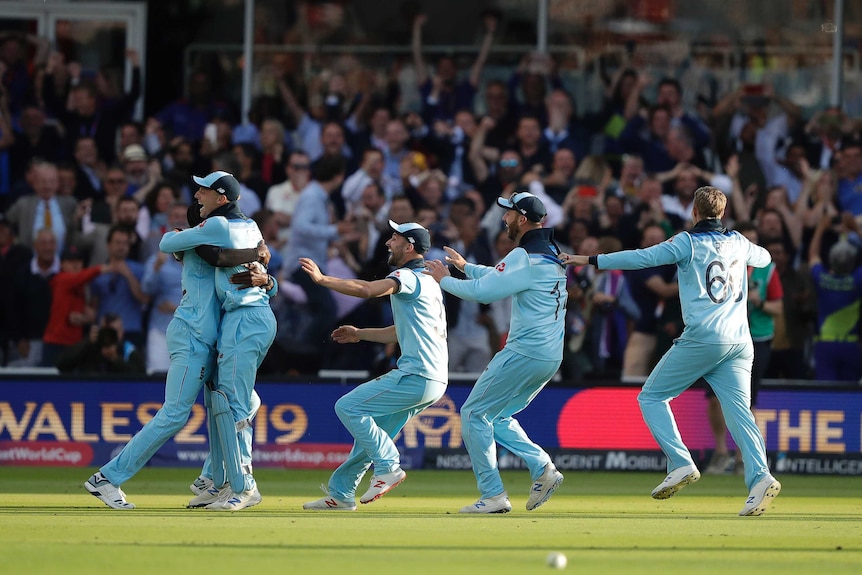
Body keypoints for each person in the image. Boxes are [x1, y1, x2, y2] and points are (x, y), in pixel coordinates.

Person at [559, 186, 781, 516]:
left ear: (694, 212)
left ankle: (680, 462)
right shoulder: (738, 242)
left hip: (704, 337)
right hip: (739, 341)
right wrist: (742, 254)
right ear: (723, 212)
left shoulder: (686, 242)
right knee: (739, 412)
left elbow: (641, 257)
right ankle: (760, 476)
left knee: (651, 396)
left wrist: (590, 260)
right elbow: (765, 257)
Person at [83, 179, 274, 511]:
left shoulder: (214, 237)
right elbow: (200, 251)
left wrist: (266, 277)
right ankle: (107, 478)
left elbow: (238, 268)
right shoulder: (203, 240)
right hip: (192, 336)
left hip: (210, 338)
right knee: (176, 413)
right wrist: (259, 258)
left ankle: (214, 480)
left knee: (231, 406)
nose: (202, 210)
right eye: (200, 217)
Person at [424, 190, 566, 514]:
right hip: (549, 355)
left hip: (525, 350)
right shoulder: (550, 253)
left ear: (523, 219)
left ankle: (493, 496)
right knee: (497, 416)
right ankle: (542, 467)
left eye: (509, 213)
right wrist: (465, 266)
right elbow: (498, 276)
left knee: (473, 414)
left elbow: (483, 293)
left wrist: (444, 279)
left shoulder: (523, 256)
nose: (504, 219)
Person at [300, 220, 448, 511]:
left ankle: (389, 466)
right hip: (434, 379)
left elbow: (366, 289)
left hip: (417, 374)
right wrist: (360, 334)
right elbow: (400, 332)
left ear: (409, 246)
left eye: (394, 238)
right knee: (371, 436)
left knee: (348, 407)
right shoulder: (430, 282)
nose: (387, 242)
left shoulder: (407, 276)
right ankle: (342, 494)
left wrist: (322, 280)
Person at [157, 171, 277, 511]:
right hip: (245, 319)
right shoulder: (251, 227)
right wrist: (264, 267)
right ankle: (220, 481)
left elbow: (200, 251)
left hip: (245, 319)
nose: (197, 194)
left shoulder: (221, 227)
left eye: (203, 190)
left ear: (221, 198)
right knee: (226, 405)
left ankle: (244, 487)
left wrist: (187, 239)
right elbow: (222, 258)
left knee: (234, 407)